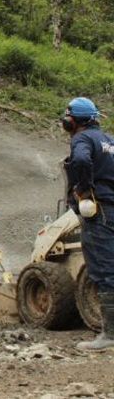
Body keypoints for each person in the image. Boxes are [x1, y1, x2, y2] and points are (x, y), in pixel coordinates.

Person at [63, 97, 114, 351]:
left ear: (71, 121)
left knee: (104, 271)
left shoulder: (81, 139)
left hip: (99, 212)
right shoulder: (110, 141)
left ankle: (110, 336)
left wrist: (84, 190)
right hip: (112, 207)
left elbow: (81, 162)